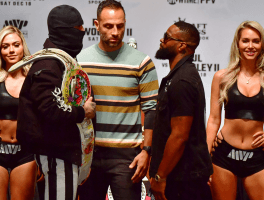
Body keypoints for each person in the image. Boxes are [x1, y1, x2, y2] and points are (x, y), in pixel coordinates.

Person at [77, 0, 159, 199]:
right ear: (96, 25)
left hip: (127, 157)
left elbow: (152, 111)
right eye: (108, 26)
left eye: (120, 26)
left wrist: (147, 151)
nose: (115, 32)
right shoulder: (80, 60)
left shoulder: (142, 62)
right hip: (89, 153)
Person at [16, 5, 96, 200]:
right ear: (66, 31)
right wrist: (83, 111)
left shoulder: (60, 61)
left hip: (62, 154)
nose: (83, 33)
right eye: (79, 29)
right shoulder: (48, 64)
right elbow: (50, 109)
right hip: (56, 155)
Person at [149, 21, 213, 200]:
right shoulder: (177, 76)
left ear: (181, 46)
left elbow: (179, 136)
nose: (162, 40)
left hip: (182, 181)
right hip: (178, 177)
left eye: (167, 37)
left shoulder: (182, 81)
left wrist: (160, 177)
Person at [207, 20, 264, 200]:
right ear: (237, 44)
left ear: (262, 45)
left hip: (257, 157)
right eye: (245, 40)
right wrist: (205, 158)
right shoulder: (222, 77)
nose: (250, 46)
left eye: (256, 41)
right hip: (224, 155)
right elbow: (214, 120)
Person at [0, 25, 37, 200]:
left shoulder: (34, 79)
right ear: (0, 51)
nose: (11, 50)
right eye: (5, 46)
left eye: (16, 45)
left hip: (25, 153)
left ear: (23, 47)